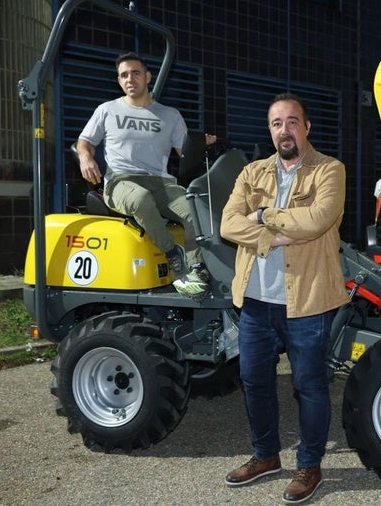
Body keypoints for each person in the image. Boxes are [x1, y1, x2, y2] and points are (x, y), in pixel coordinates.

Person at [220, 93, 349, 504]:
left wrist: (261, 216)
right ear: (270, 130)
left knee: (309, 385)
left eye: (293, 121)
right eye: (277, 123)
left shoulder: (330, 170)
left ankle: (309, 465)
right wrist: (275, 234)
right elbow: (226, 223)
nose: (285, 129)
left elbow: (318, 219)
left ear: (307, 128)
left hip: (306, 301)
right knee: (254, 382)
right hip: (255, 300)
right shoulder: (251, 172)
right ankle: (265, 456)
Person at [76, 52, 216, 299]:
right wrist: (85, 157)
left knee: (196, 208)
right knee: (140, 199)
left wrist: (203, 146)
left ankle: (195, 268)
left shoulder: (169, 115)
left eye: (135, 73)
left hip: (161, 182)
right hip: (120, 181)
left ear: (148, 77)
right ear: (119, 81)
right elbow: (84, 142)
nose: (130, 79)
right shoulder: (107, 110)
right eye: (124, 75)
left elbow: (185, 153)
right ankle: (172, 254)